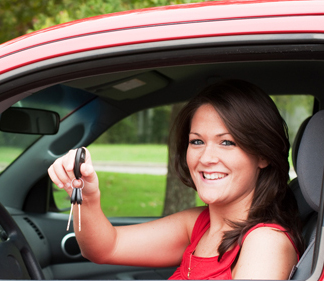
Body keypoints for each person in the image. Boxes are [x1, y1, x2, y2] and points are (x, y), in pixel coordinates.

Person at [48, 80, 304, 280]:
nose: (206, 157)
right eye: (197, 141)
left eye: (227, 142)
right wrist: (86, 195)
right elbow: (105, 248)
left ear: (262, 155)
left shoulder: (266, 242)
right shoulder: (199, 224)